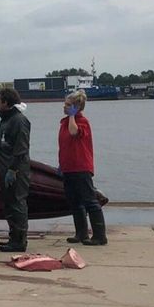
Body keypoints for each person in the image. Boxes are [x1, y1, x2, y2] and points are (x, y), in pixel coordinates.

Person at [59, 90, 107, 245]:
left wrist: (73, 115)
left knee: (89, 200)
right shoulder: (64, 123)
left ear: (75, 107)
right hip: (68, 167)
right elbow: (65, 145)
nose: (64, 107)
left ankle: (100, 236)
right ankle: (81, 233)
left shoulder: (81, 122)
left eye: (67, 105)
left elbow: (74, 133)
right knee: (74, 201)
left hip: (80, 167)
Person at [0, 88, 31, 252]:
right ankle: (13, 236)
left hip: (15, 171)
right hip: (5, 168)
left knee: (17, 203)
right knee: (9, 204)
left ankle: (19, 240)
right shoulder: (6, 120)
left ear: (6, 102)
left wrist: (13, 170)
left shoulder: (19, 120)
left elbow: (21, 148)